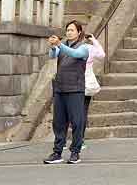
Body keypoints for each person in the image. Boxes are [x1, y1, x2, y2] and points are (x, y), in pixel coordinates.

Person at [43, 20, 89, 164]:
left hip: (75, 88)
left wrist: (59, 44)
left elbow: (75, 54)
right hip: (60, 88)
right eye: (67, 30)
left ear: (79, 32)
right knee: (59, 122)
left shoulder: (84, 47)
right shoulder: (62, 47)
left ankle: (75, 152)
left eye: (72, 30)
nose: (69, 32)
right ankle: (57, 152)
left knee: (77, 122)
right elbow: (52, 55)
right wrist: (53, 46)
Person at [82, 33, 105, 145]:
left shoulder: (72, 49)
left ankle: (77, 139)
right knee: (83, 111)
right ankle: (79, 139)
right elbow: (102, 55)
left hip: (80, 83)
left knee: (75, 112)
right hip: (86, 83)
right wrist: (94, 41)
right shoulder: (90, 48)